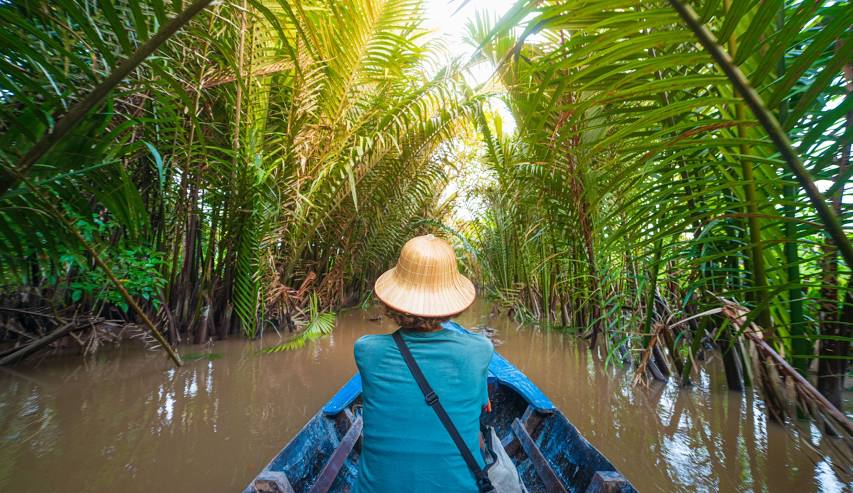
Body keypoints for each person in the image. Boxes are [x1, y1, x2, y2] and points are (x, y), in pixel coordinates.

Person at [354, 234, 494, 492]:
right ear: (452, 303)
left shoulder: (366, 351)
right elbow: (482, 415)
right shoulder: (480, 351)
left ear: (393, 300)